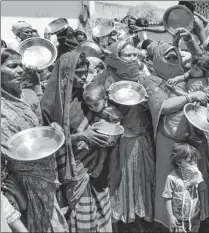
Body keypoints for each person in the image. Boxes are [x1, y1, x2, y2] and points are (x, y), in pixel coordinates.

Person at [144, 30, 209, 231]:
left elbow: (200, 59)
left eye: (175, 55)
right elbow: (164, 106)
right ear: (157, 58)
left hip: (192, 139)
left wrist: (185, 39)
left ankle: (195, 217)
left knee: (194, 180)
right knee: (171, 183)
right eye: (167, 56)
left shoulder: (182, 74)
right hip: (169, 141)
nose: (172, 59)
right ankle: (170, 221)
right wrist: (191, 97)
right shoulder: (152, 80)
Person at [41, 51, 113, 232]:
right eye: (78, 73)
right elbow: (49, 141)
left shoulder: (85, 95)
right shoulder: (50, 105)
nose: (83, 77)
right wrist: (81, 136)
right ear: (66, 73)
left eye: (85, 72)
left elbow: (100, 114)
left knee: (101, 202)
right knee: (81, 207)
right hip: (74, 166)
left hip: (96, 160)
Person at [1, 48, 68, 232]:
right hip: (21, 183)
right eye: (13, 66)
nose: (21, 70)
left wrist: (53, 127)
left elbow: (39, 128)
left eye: (21, 65)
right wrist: (8, 189)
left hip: (46, 175)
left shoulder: (27, 95)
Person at [93, 41, 155, 232]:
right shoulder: (106, 77)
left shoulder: (142, 74)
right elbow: (94, 103)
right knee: (123, 178)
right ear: (115, 57)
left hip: (142, 135)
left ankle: (142, 215)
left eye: (135, 54)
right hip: (122, 139)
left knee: (144, 178)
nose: (133, 58)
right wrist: (108, 111)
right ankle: (124, 218)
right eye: (128, 55)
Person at [163, 142, 206, 233]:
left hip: (194, 216)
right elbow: (167, 198)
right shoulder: (171, 178)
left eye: (195, 161)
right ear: (179, 163)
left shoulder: (196, 176)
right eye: (190, 162)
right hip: (178, 219)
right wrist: (170, 216)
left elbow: (201, 190)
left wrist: (203, 208)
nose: (193, 164)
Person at [82, 83, 123, 178]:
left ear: (105, 99)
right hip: (94, 138)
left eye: (96, 105)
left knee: (102, 146)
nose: (93, 109)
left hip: (107, 137)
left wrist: (108, 118)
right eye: (90, 106)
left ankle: (100, 164)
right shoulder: (99, 109)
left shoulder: (111, 110)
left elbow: (118, 118)